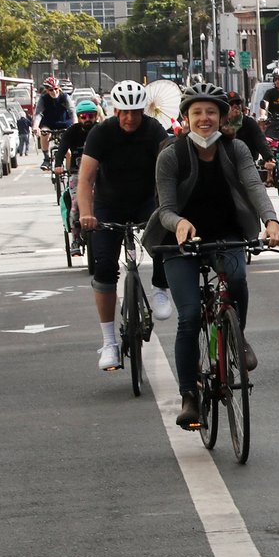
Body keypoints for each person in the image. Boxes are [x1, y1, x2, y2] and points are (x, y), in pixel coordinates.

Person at [144, 84, 279, 429]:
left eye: (211, 112)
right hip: (180, 241)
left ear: (222, 117)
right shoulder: (171, 155)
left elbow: (254, 186)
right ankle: (189, 396)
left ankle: (239, 336)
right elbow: (166, 208)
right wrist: (179, 223)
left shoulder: (235, 148)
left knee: (236, 278)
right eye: (197, 112)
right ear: (186, 118)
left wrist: (271, 221)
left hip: (226, 233)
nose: (204, 118)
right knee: (190, 316)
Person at [78, 80, 174, 371]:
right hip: (108, 204)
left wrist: (169, 208)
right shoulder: (101, 133)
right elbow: (85, 179)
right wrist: (86, 214)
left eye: (135, 112)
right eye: (124, 112)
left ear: (143, 111)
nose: (130, 118)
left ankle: (160, 287)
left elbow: (169, 169)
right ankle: (109, 342)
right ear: (115, 110)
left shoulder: (154, 130)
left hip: (146, 200)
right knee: (105, 267)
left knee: (164, 237)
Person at [53, 98, 101, 256]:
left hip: (100, 173)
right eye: (83, 116)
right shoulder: (72, 131)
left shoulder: (101, 130)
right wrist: (58, 164)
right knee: (75, 204)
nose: (87, 119)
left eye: (91, 116)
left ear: (96, 116)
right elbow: (62, 148)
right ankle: (75, 239)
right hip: (76, 173)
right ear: (79, 117)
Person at [222, 90, 276, 184]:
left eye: (238, 103)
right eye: (231, 104)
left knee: (255, 189)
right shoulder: (220, 124)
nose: (235, 106)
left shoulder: (249, 122)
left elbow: (260, 140)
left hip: (247, 165)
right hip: (225, 166)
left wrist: (268, 158)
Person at [33, 77, 75, 171]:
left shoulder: (65, 97)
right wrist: (36, 126)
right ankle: (46, 158)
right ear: (47, 90)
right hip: (48, 123)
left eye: (56, 89)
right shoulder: (43, 99)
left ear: (59, 88)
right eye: (51, 90)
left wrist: (75, 124)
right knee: (44, 133)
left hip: (64, 123)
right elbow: (39, 113)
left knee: (68, 153)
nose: (54, 92)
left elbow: (72, 111)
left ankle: (70, 173)